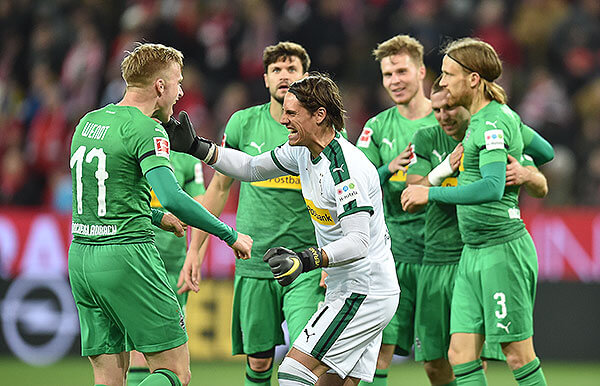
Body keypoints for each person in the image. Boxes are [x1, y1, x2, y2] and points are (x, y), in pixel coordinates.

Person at [166, 72, 400, 386]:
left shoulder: (346, 170)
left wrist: (306, 259)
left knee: (292, 373)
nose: (283, 120)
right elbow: (250, 168)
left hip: (364, 291)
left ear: (319, 115)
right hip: (348, 288)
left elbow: (358, 241)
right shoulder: (304, 152)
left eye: (292, 113)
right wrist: (197, 147)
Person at [68, 42, 252, 386]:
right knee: (175, 373)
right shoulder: (146, 129)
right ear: (160, 86)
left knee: (108, 377)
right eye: (178, 82)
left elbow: (107, 196)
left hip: (81, 259)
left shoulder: (88, 122)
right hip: (126, 257)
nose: (181, 92)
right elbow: (172, 196)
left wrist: (154, 216)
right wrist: (230, 235)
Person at [401, 37, 554, 386]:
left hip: (501, 250)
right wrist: (529, 169)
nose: (441, 83)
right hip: (473, 251)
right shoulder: (496, 118)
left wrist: (431, 193)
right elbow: (544, 150)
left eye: (448, 74)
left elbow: (491, 187)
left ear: (472, 79)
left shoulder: (492, 123)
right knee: (460, 355)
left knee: (517, 353)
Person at [191, 41, 325, 386]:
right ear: (265, 79)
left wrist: (333, 262)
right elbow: (218, 189)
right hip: (255, 260)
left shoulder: (318, 128)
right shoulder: (242, 124)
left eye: (291, 69)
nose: (284, 75)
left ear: (304, 78)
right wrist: (196, 250)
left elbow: (337, 196)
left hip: (305, 263)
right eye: (276, 70)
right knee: (259, 361)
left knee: (308, 355)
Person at [355, 34, 437, 386]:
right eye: (388, 75)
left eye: (402, 71)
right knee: (378, 353)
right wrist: (390, 167)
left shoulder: (447, 120)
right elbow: (358, 185)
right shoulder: (377, 127)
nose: (395, 81)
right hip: (394, 252)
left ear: (421, 72)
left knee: (440, 361)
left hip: (441, 252)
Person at [127, 151, 210, 386]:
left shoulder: (185, 159)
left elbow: (201, 210)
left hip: (173, 268)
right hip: (137, 262)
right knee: (136, 350)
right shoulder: (132, 151)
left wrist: (195, 259)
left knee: (174, 360)